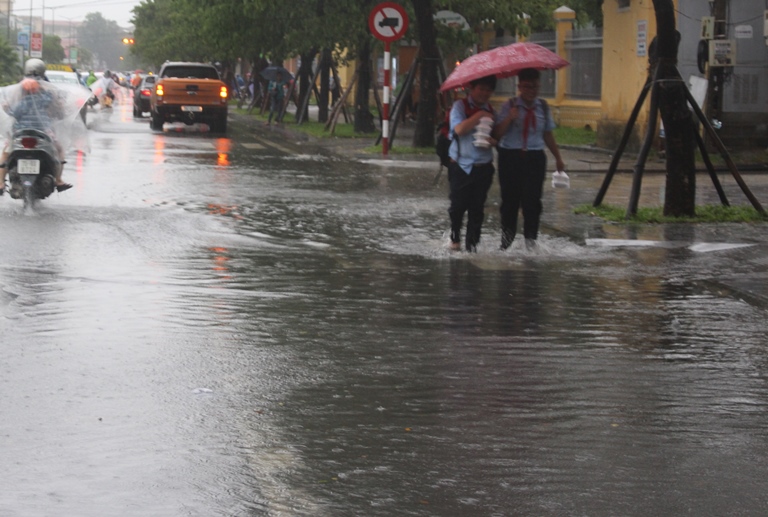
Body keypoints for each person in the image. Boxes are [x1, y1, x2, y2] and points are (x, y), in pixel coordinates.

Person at [492, 68, 565, 250]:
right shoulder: (509, 105)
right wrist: (510, 117)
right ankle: (506, 241)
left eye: (535, 86)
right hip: (511, 157)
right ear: (520, 87)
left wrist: (558, 157)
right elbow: (497, 134)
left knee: (532, 201)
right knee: (510, 202)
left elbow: (547, 134)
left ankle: (530, 241)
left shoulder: (543, 106)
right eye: (527, 86)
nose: (531, 90)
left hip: (534, 158)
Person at [0, 59, 72, 194]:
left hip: (20, 132)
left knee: (6, 152)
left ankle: (0, 183)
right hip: (43, 131)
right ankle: (58, 180)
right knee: (59, 150)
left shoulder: (17, 91)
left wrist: (6, 108)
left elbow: (12, 112)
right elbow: (57, 109)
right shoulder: (47, 93)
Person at [446, 75, 498, 252]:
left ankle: (472, 245)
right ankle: (455, 238)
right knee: (457, 206)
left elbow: (496, 135)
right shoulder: (460, 107)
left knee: (477, 208)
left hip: (483, 165)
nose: (484, 93)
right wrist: (480, 115)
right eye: (481, 89)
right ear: (472, 88)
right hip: (461, 165)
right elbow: (459, 129)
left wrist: (493, 140)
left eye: (488, 90)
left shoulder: (491, 110)